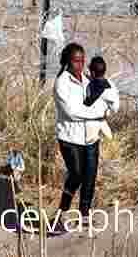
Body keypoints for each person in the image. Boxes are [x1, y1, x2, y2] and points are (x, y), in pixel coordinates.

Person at [49, 43, 120, 235]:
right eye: (76, 61)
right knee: (77, 174)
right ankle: (61, 212)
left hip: (90, 137)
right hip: (70, 138)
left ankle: (85, 215)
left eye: (82, 60)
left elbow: (108, 98)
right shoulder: (62, 83)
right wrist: (98, 113)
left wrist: (106, 101)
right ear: (68, 61)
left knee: (90, 177)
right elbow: (73, 112)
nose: (80, 64)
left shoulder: (89, 79)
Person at [83, 56, 117, 144]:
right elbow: (115, 108)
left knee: (90, 150)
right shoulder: (110, 85)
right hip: (102, 123)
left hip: (89, 124)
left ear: (93, 73)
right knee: (110, 145)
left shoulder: (88, 85)